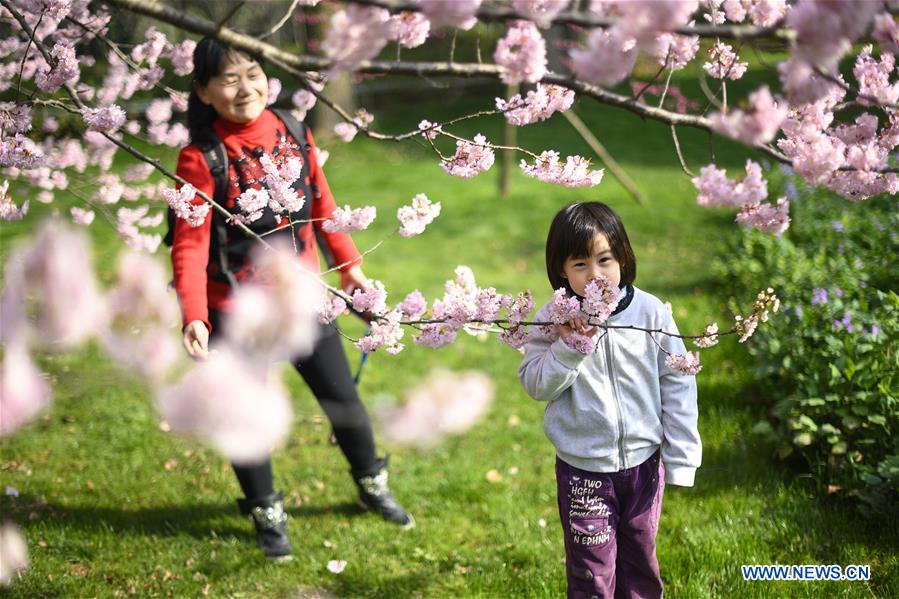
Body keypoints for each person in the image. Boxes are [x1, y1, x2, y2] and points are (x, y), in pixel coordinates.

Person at [170, 37, 413, 560]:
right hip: (236, 312)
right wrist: (194, 315)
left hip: (303, 300)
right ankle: (266, 513)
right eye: (228, 79)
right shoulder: (200, 158)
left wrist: (350, 269)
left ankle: (372, 485)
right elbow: (190, 244)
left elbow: (324, 207)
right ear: (204, 92)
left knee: (343, 400)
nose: (244, 88)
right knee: (245, 415)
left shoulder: (292, 129)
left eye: (252, 73)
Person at [517, 202, 701, 598]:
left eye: (605, 260)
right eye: (580, 264)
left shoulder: (650, 313)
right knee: (592, 575)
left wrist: (682, 457)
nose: (595, 274)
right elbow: (535, 385)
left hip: (643, 466)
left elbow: (678, 382)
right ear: (561, 270)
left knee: (640, 564)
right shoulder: (553, 319)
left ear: (623, 258)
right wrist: (569, 348)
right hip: (583, 470)